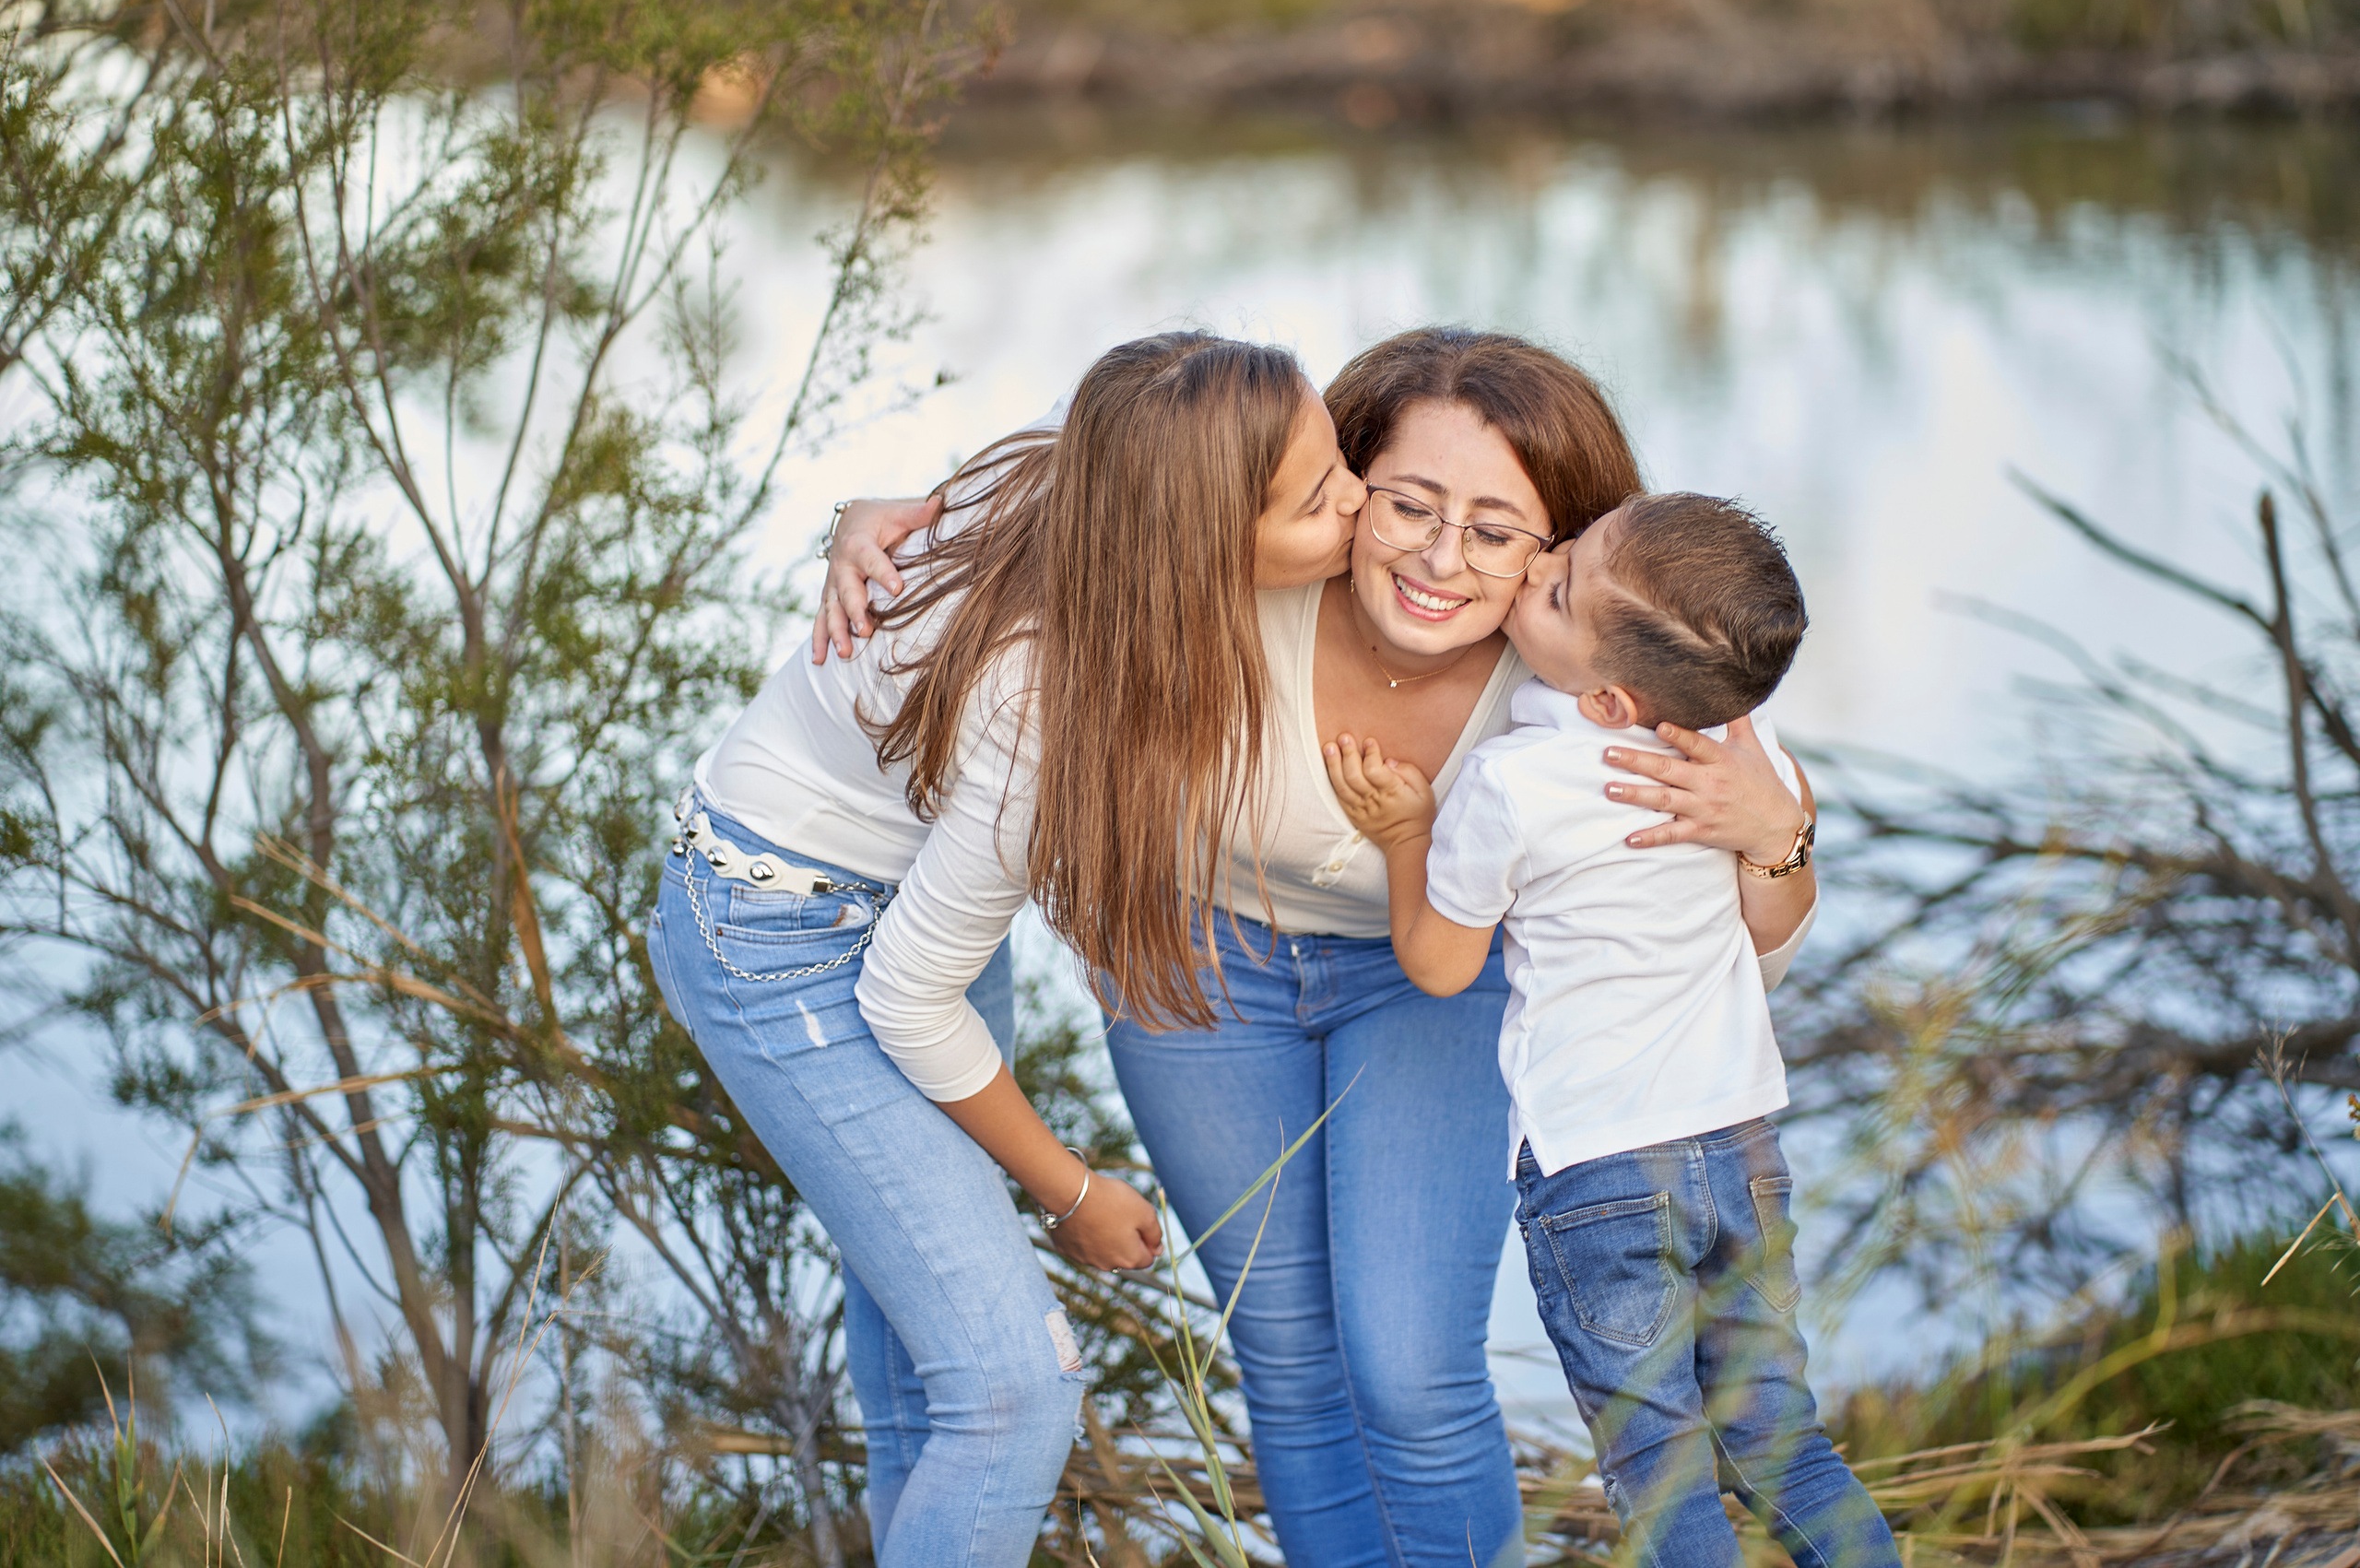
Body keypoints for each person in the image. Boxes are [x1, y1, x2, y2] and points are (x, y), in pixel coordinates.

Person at [819, 329, 1823, 1568]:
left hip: (1435, 986)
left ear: (1563, 547)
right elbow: (1114, 477)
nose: (1440, 559)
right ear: (1345, 481)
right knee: (1288, 1360)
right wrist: (872, 519)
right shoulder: (1249, 567)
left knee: (1409, 1368)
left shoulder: (1595, 680)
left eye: (1496, 531)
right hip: (1199, 969)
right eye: (1408, 504)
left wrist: (1776, 838)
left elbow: (1743, 958)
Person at [648, 330, 1370, 1566]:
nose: (1355, 498)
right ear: (1196, 544)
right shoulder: (1047, 702)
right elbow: (909, 1002)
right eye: (1316, 501)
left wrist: (857, 512)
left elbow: (923, 505)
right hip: (784, 942)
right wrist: (1074, 1193)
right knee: (1014, 1392)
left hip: (913, 894)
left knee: (932, 1392)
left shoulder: (1091, 464)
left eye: (1339, 463)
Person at [1324, 491, 1902, 1568]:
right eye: (1569, 547)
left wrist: (1406, 836)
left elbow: (1441, 965)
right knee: (1780, 1440)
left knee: (1661, 1471)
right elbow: (1780, 866)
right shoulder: (1742, 751)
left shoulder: (1513, 782)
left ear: (1606, 700)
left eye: (1556, 588)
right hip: (1742, 1145)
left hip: (1599, 1167)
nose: (1538, 561)